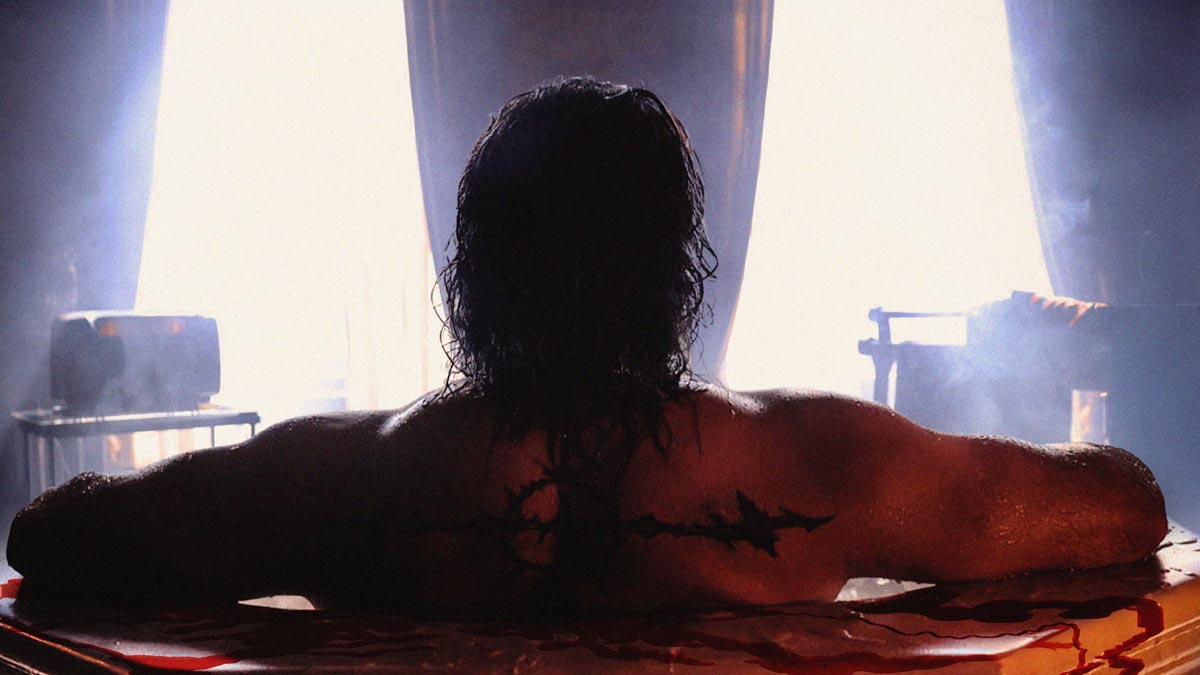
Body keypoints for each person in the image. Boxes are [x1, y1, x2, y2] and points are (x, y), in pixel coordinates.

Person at [6, 77, 1166, 615]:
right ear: (678, 271)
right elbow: (1126, 504)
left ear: (472, 273)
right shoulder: (820, 462)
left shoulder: (346, 475)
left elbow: (53, 533)